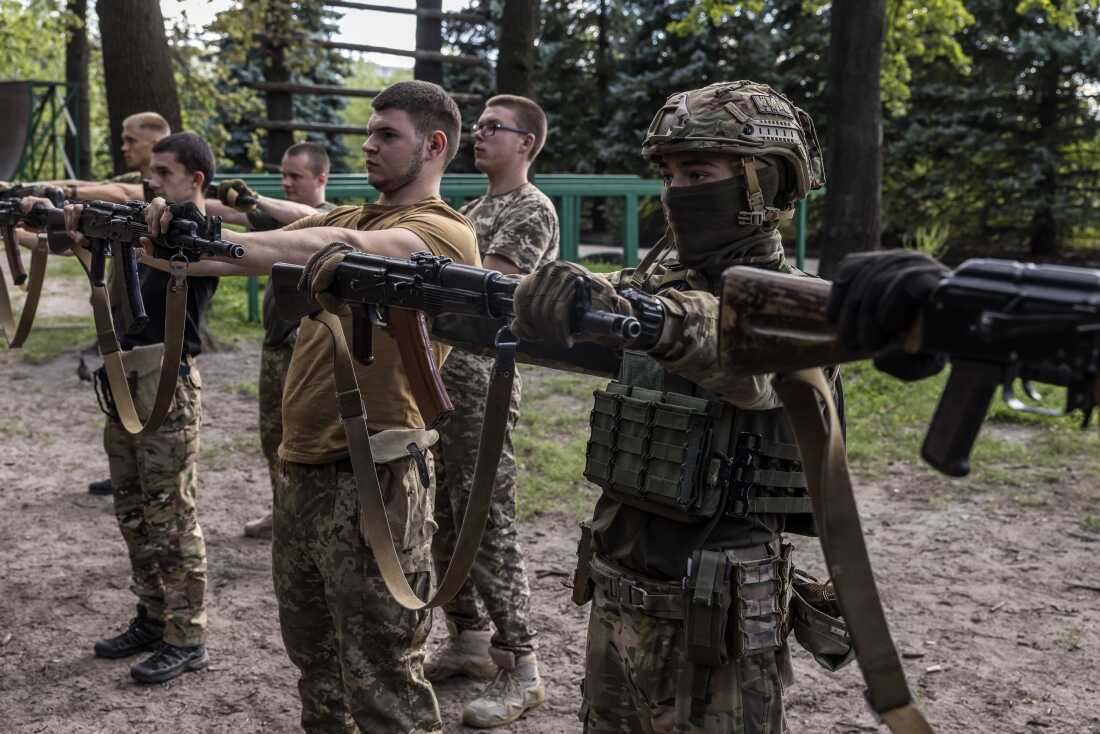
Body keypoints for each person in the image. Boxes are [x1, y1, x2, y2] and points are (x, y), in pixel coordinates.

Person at [140, 80, 478, 734]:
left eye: (387, 135)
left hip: (374, 479)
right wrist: (181, 232)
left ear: (434, 146)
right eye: (369, 133)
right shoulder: (357, 215)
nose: (369, 145)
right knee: (317, 668)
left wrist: (218, 243)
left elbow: (318, 250)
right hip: (305, 473)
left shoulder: (439, 233)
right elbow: (280, 234)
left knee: (384, 682)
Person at [506, 81, 828, 732]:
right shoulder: (653, 287)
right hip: (617, 603)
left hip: (715, 629)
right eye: (672, 173)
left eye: (700, 172)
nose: (679, 190)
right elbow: (599, 323)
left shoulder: (801, 310)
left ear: (763, 183)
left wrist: (641, 317)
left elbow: (736, 353)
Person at [55, 132, 220, 684]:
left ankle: (187, 636)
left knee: (172, 516)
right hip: (126, 380)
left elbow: (185, 241)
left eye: (165, 173)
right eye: (151, 171)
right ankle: (152, 615)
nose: (152, 181)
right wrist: (86, 234)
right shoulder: (148, 225)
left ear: (196, 179)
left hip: (168, 384)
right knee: (131, 509)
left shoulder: (197, 228)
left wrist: (150, 213)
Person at [425, 95, 558, 728]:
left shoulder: (530, 208)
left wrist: (424, 269)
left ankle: (524, 667)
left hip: (484, 373)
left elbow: (492, 286)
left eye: (492, 128)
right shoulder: (475, 207)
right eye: (476, 127)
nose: (478, 136)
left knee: (486, 517)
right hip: (445, 369)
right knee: (446, 515)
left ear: (526, 143)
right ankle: (470, 642)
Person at [205, 142, 339, 540]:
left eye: (295, 176)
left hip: (311, 350)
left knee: (310, 439)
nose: (287, 182)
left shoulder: (333, 220)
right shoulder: (279, 221)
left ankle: (311, 518)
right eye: (283, 175)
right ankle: (283, 511)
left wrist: (255, 198)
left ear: (321, 179)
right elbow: (228, 215)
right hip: (277, 345)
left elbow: (312, 217)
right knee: (272, 436)